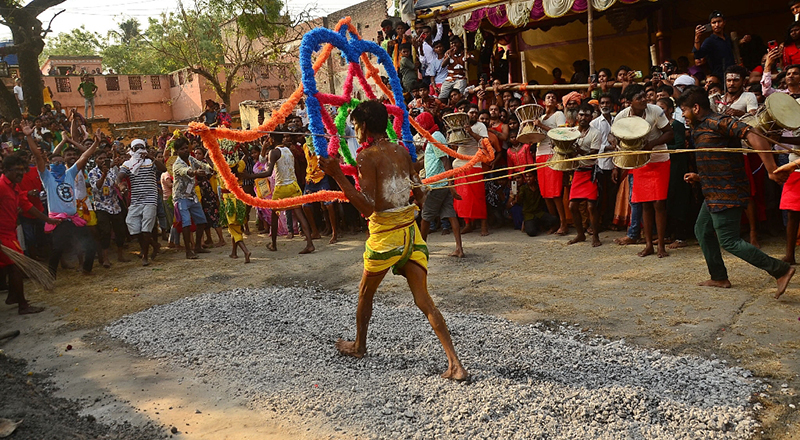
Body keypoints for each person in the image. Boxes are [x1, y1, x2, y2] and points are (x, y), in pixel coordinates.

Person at [318, 100, 468, 380]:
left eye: (356, 126)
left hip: (386, 237)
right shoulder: (400, 151)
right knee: (424, 301)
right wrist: (422, 189)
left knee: (365, 293)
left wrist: (337, 174)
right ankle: (455, 364)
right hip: (410, 234)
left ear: (363, 127)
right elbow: (419, 195)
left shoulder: (367, 156)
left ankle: (360, 346)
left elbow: (367, 207)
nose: (355, 131)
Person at [678, 85, 795, 298]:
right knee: (702, 231)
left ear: (695, 108)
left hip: (727, 191)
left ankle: (781, 269)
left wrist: (770, 169)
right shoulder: (700, 126)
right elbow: (717, 158)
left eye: (684, 110)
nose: (682, 116)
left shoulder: (719, 121)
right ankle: (719, 277)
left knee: (729, 240)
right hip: (712, 190)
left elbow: (754, 134)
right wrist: (700, 176)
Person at [28, 123, 99, 276]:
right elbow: (38, 156)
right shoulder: (47, 177)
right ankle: (50, 276)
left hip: (74, 219)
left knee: (91, 246)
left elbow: (84, 156)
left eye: (61, 162)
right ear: (50, 164)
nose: (59, 164)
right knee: (58, 249)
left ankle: (87, 270)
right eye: (56, 162)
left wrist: (96, 143)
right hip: (58, 221)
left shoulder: (69, 173)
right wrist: (28, 136)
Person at [616, 84, 674, 258]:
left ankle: (661, 245)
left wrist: (651, 145)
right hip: (639, 163)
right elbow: (615, 135)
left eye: (644, 96)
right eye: (639, 98)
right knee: (645, 204)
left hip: (659, 161)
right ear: (629, 102)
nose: (644, 100)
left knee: (659, 204)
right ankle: (648, 245)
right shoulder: (622, 116)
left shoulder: (655, 110)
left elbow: (669, 133)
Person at [1, 153, 59, 314]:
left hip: (10, 233)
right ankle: (23, 305)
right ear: (5, 170)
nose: (21, 173)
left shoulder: (15, 186)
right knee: (16, 267)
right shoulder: (1, 186)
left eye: (22, 170)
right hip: (2, 236)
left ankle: (13, 297)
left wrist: (48, 219)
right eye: (16, 170)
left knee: (11, 268)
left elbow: (27, 206)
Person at [416, 112, 464, 258]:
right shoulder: (434, 136)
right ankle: (459, 249)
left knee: (426, 216)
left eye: (419, 124)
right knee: (450, 214)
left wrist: (451, 184)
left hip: (437, 184)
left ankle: (421, 248)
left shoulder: (435, 137)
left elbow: (445, 161)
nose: (418, 128)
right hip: (441, 183)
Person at [264, 132, 314, 254]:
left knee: (274, 216)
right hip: (293, 184)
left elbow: (268, 172)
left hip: (281, 187)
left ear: (271, 139)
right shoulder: (288, 150)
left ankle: (274, 244)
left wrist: (249, 176)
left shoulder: (274, 152)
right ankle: (310, 244)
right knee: (300, 214)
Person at [118, 139, 166, 266]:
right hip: (136, 200)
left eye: (141, 147)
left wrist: (150, 156)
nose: (139, 150)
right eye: (136, 148)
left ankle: (145, 256)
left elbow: (163, 169)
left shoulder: (150, 162)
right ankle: (154, 244)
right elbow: (120, 176)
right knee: (132, 224)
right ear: (132, 150)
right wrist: (121, 185)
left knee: (146, 228)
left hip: (150, 198)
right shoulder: (128, 163)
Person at [171, 137, 212, 260]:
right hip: (181, 197)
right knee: (186, 224)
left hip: (192, 196)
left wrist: (209, 168)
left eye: (186, 148)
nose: (185, 150)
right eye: (182, 149)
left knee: (201, 221)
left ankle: (198, 246)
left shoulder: (190, 158)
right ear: (177, 151)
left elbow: (201, 165)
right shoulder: (177, 164)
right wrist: (195, 173)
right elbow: (186, 171)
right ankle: (188, 251)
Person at [533, 91, 568, 234]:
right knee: (545, 193)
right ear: (544, 102)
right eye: (548, 97)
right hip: (539, 154)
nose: (551, 99)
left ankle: (563, 223)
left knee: (555, 192)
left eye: (554, 97)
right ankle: (553, 223)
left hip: (553, 154)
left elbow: (561, 134)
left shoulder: (559, 115)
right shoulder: (540, 117)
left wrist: (541, 126)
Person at [568, 105, 603, 247]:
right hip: (577, 171)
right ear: (577, 116)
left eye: (587, 115)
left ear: (591, 117)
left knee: (591, 206)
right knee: (572, 206)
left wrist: (578, 150)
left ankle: (595, 236)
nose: (583, 118)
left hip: (590, 172)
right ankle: (580, 234)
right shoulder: (571, 132)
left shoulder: (595, 133)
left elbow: (593, 155)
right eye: (581, 115)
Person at [88, 148, 129, 267]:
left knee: (120, 230)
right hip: (101, 206)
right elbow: (97, 188)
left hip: (115, 204)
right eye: (99, 158)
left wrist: (121, 188)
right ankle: (105, 258)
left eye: (104, 158)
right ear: (95, 160)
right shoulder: (93, 172)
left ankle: (120, 255)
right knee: (105, 232)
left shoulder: (112, 171)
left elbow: (116, 183)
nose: (102, 160)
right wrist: (104, 174)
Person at [453, 104, 489, 236]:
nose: (473, 115)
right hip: (459, 164)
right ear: (466, 114)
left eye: (475, 112)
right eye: (471, 112)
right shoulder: (460, 125)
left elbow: (485, 143)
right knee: (463, 197)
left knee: (478, 196)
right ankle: (468, 224)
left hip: (475, 164)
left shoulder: (480, 126)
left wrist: (471, 133)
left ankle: (484, 226)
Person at [302, 138, 338, 245]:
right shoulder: (305, 146)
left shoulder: (322, 145)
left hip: (322, 177)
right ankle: (315, 232)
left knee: (329, 205)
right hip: (310, 178)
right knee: (305, 205)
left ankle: (334, 233)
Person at [692, 11, 749, 79]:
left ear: (724, 22)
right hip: (719, 76)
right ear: (710, 25)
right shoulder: (709, 41)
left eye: (719, 21)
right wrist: (697, 37)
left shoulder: (727, 38)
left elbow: (731, 47)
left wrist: (742, 41)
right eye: (714, 22)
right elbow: (698, 55)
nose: (717, 25)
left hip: (732, 73)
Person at [591, 94, 617, 230]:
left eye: (607, 103)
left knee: (613, 195)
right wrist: (606, 147)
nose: (605, 105)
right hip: (601, 163)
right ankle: (598, 223)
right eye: (603, 103)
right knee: (600, 195)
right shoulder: (594, 123)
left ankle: (609, 221)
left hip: (616, 162)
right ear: (599, 105)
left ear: (611, 104)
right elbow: (592, 144)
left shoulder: (616, 120)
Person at [439, 36, 473, 103]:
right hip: (449, 78)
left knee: (457, 96)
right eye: (452, 43)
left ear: (460, 44)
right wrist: (449, 56)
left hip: (461, 78)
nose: (453, 45)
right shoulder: (448, 53)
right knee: (442, 97)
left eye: (455, 43)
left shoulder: (465, 53)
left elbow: (475, 62)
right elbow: (443, 65)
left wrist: (469, 59)